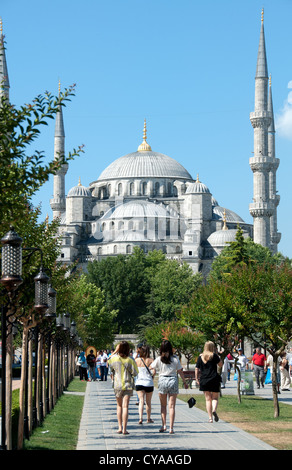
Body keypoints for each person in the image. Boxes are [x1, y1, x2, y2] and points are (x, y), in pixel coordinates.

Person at [150, 340, 188, 434]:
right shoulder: (175, 359)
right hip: (173, 380)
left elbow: (151, 367)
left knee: (163, 406)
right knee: (172, 406)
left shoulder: (159, 359)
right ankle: (171, 428)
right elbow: (180, 371)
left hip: (162, 380)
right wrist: (184, 381)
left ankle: (164, 425)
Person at [108, 341, 138, 435]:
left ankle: (119, 427)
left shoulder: (114, 359)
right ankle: (125, 429)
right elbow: (135, 373)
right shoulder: (130, 360)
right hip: (127, 385)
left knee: (119, 406)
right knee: (125, 406)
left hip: (117, 385)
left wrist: (114, 352)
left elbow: (108, 363)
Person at [195, 341, 223, 423]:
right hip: (214, 378)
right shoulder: (214, 356)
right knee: (215, 397)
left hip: (204, 379)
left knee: (208, 399)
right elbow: (220, 364)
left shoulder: (201, 357)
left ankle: (210, 418)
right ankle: (214, 410)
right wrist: (218, 356)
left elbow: (197, 368)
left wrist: (196, 378)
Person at [135, 344, 155, 424]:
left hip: (139, 382)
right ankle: (148, 418)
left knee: (141, 401)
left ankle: (140, 418)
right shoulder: (151, 360)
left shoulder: (137, 360)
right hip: (149, 382)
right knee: (148, 402)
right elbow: (153, 372)